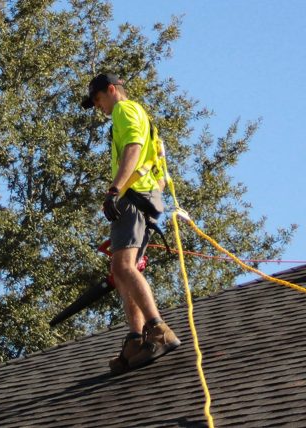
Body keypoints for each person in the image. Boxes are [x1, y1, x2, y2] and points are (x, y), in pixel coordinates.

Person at [80, 73, 181, 373]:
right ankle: (136, 339)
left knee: (122, 267)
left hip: (134, 196)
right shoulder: (141, 116)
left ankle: (158, 328)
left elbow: (133, 148)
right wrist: (154, 198)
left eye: (98, 100)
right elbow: (159, 169)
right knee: (123, 269)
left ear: (111, 90)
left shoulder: (124, 110)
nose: (99, 107)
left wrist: (115, 190)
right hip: (146, 196)